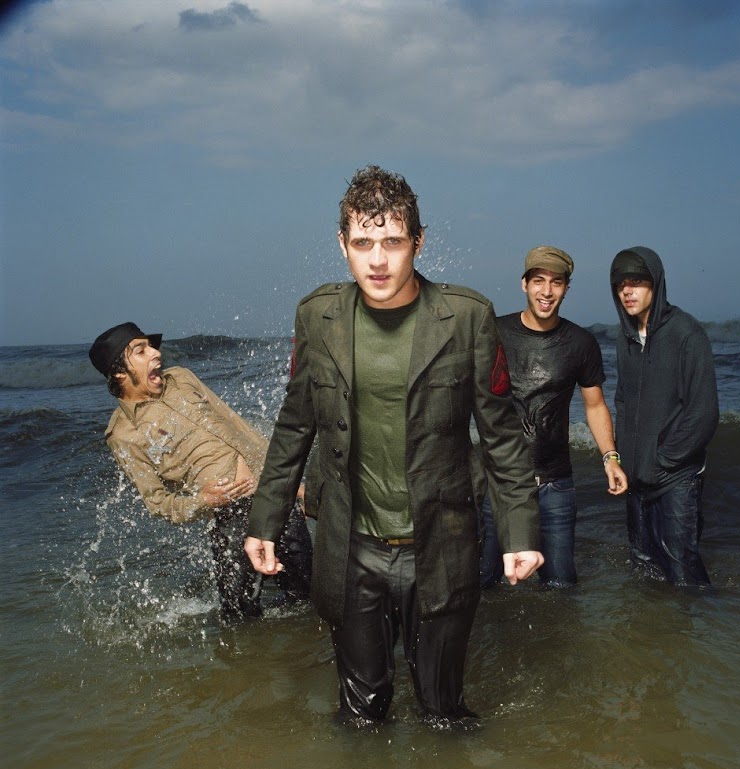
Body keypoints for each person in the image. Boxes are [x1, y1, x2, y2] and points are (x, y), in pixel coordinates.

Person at [244, 165, 542, 727]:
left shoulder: (467, 317)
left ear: (418, 242)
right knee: (361, 713)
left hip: (441, 546)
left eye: (393, 242)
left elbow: (501, 438)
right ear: (342, 244)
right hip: (351, 549)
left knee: (442, 709)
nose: (377, 261)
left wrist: (520, 532)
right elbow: (294, 427)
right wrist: (265, 521)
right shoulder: (317, 316)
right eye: (362, 244)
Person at [89, 322, 312, 619]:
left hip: (273, 497)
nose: (155, 353)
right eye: (140, 351)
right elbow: (158, 503)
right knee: (239, 617)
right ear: (119, 373)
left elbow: (238, 427)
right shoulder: (123, 434)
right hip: (229, 516)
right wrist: (203, 500)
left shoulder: (181, 378)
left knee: (307, 596)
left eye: (151, 346)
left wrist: (289, 484)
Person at [480, 246, 628, 589]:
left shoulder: (581, 343)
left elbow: (595, 405)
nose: (546, 291)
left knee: (561, 586)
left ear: (566, 288)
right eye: (538, 281)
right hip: (498, 482)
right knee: (483, 584)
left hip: (556, 484)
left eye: (556, 282)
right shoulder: (493, 334)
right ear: (524, 284)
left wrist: (610, 457)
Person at [610, 246, 718, 586]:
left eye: (636, 282)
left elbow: (704, 413)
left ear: (655, 283)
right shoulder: (624, 337)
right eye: (620, 284)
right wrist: (624, 459)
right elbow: (623, 401)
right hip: (636, 478)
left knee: (683, 576)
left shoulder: (687, 334)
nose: (627, 291)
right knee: (645, 571)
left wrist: (663, 461)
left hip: (676, 478)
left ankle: (700, 622)